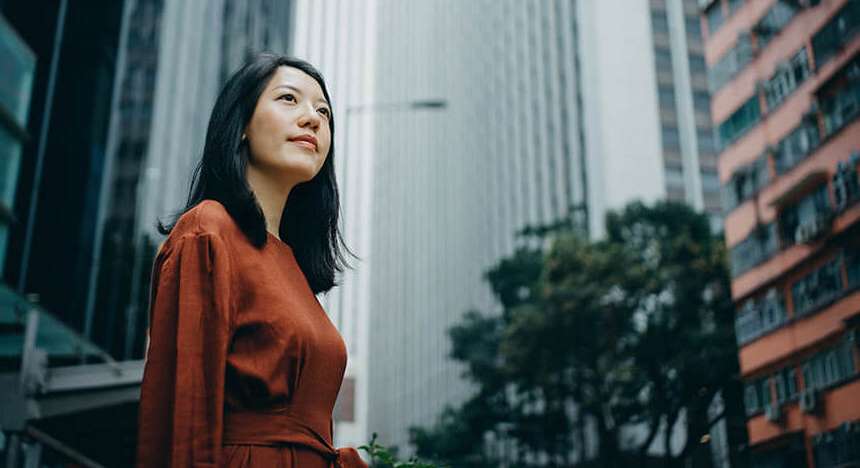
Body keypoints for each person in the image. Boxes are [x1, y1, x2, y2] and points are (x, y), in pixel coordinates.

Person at [136, 53, 366, 468]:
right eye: (289, 99)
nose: (313, 119)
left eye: (324, 111)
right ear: (241, 125)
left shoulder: (294, 268)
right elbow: (184, 413)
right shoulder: (209, 230)